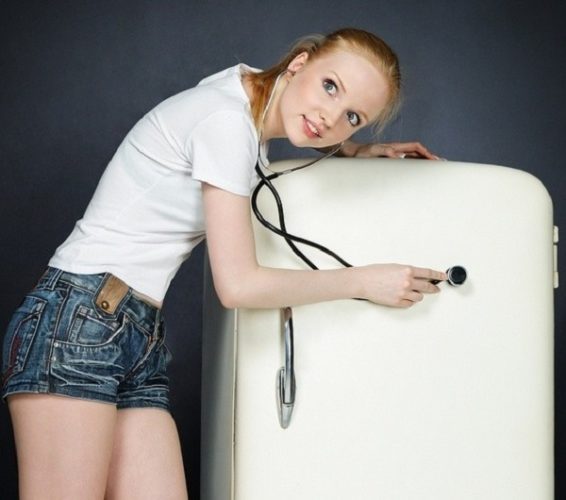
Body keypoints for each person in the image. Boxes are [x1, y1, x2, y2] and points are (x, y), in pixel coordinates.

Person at [1, 27, 447, 499]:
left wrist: (355, 150)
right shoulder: (226, 121)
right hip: (78, 322)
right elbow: (238, 285)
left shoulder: (239, 94)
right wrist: (366, 281)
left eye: (352, 116)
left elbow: (288, 115)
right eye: (329, 86)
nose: (329, 117)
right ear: (299, 63)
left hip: (127, 331)